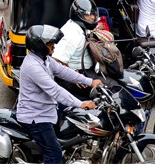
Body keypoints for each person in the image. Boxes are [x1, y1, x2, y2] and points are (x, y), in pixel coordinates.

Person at [17, 25, 100, 164]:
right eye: (50, 45)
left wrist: (90, 82)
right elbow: (55, 90)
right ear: (40, 46)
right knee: (53, 151)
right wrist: (81, 103)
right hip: (36, 116)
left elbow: (63, 71)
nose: (54, 47)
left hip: (47, 108)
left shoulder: (45, 59)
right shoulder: (33, 66)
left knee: (76, 122)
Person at [53, 0, 99, 71]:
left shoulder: (80, 28)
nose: (92, 17)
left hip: (87, 70)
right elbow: (57, 60)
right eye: (88, 15)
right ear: (78, 15)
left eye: (93, 14)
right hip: (80, 73)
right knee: (113, 83)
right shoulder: (72, 33)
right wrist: (78, 79)